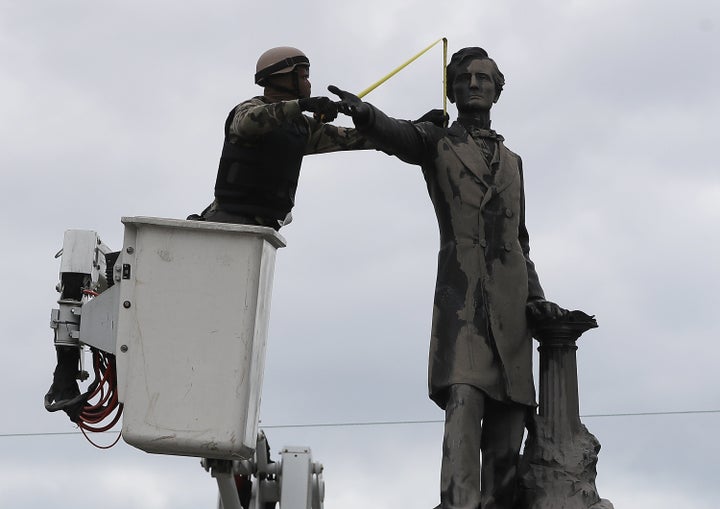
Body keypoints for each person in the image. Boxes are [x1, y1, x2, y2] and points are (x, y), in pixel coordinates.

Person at [330, 47, 565, 509]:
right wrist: (365, 113)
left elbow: (519, 240)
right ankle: (458, 501)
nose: (474, 84)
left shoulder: (514, 162)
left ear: (498, 90)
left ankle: (497, 501)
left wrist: (537, 298)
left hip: (512, 304)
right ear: (452, 89)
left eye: (483, 78)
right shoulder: (436, 141)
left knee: (511, 412)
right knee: (465, 395)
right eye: (464, 78)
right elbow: (397, 134)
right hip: (462, 296)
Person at [189, 46, 370, 229]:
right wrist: (302, 104)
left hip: (262, 230)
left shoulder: (302, 127)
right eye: (304, 77)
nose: (309, 84)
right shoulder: (248, 110)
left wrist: (368, 117)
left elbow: (358, 138)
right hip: (227, 223)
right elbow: (248, 123)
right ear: (283, 79)